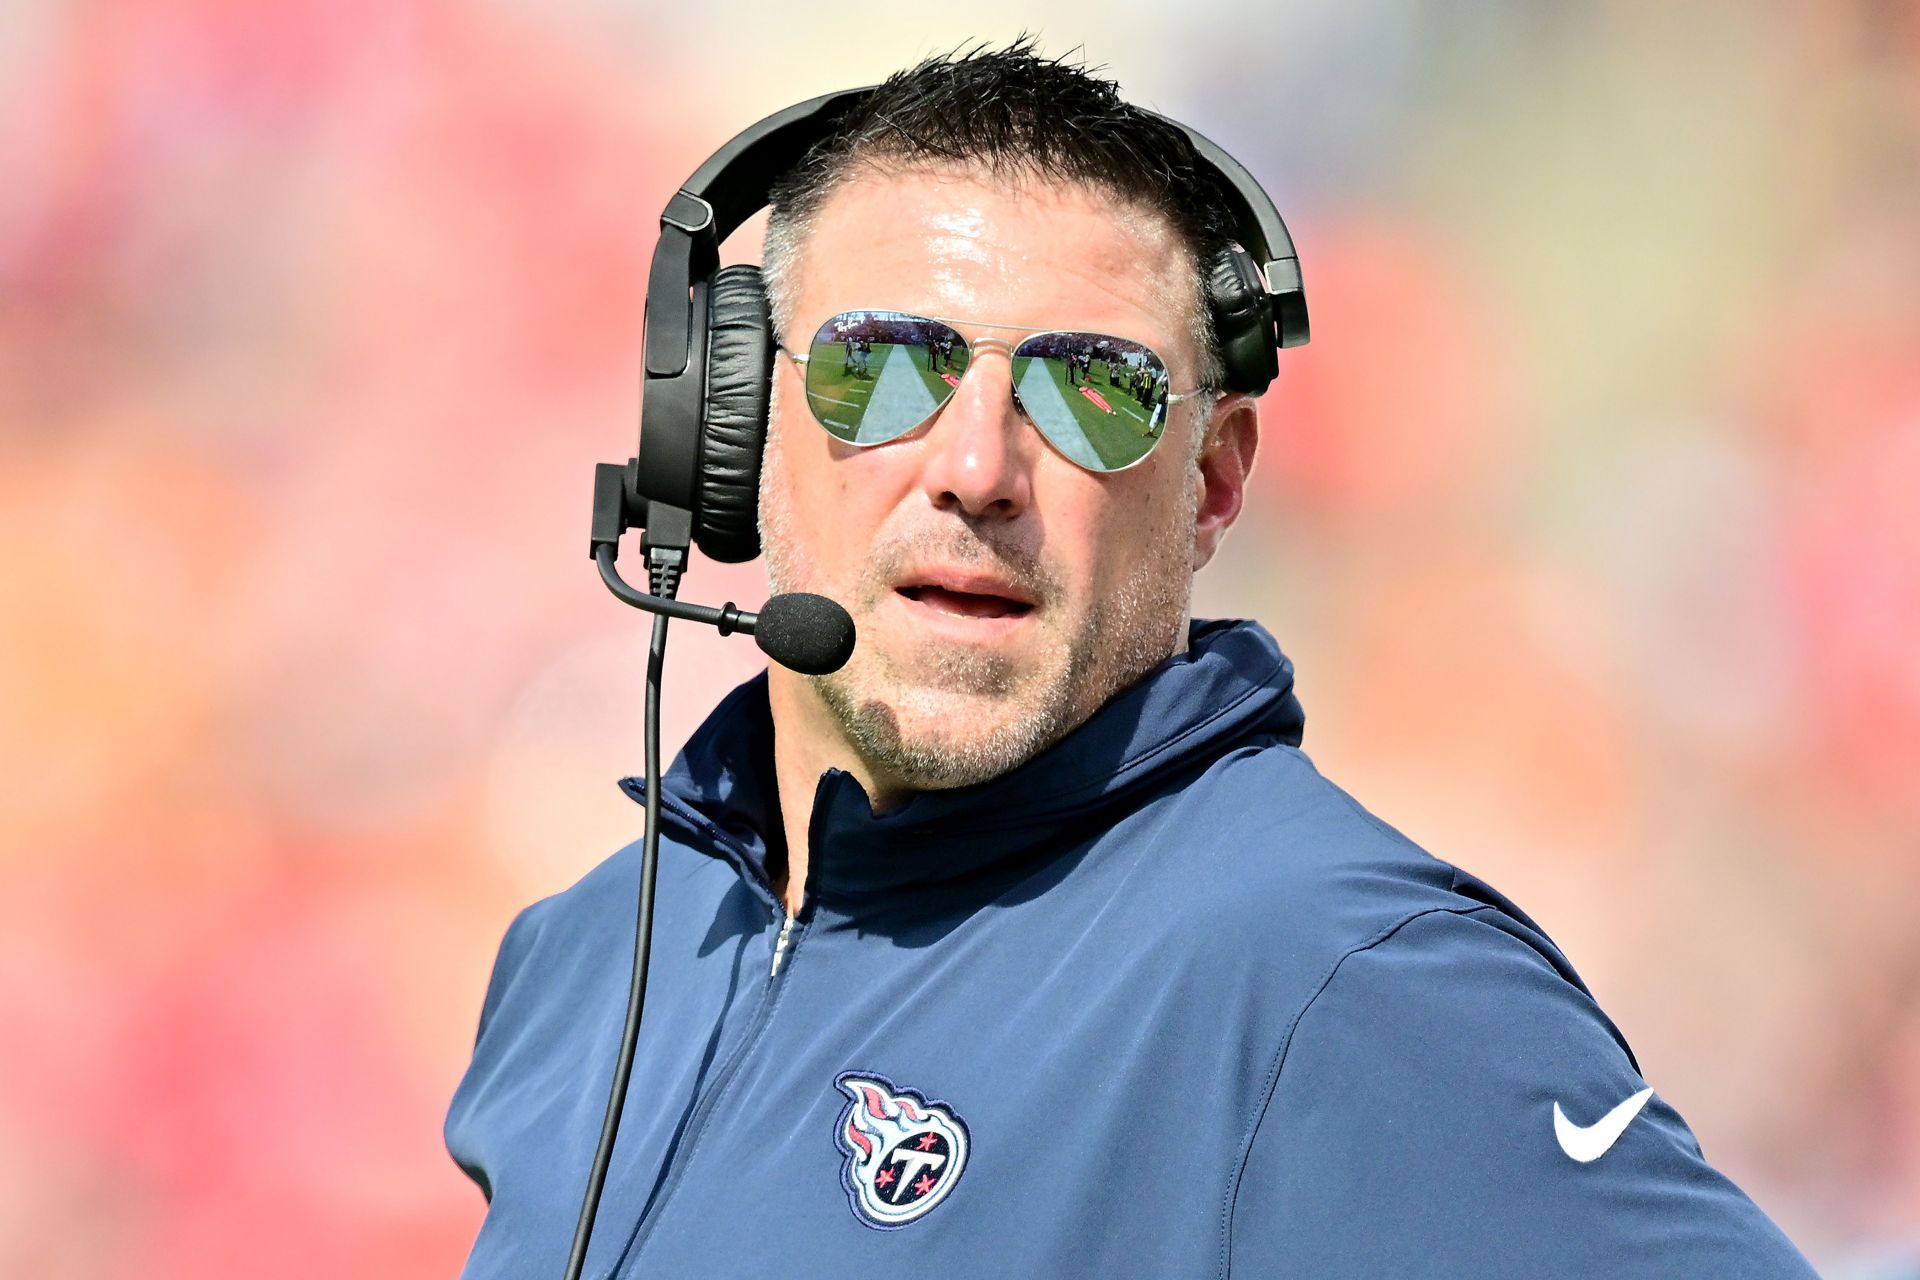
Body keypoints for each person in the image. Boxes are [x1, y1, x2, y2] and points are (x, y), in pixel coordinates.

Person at [445, 45, 1817, 1278]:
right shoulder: (586, 954)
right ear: (730, 432)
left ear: (1214, 486)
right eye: (881, 368)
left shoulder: (1344, 978)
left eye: (1092, 389)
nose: (976, 467)